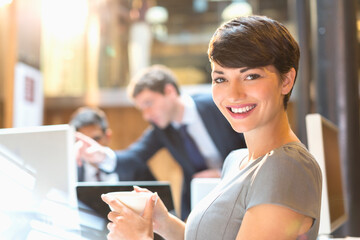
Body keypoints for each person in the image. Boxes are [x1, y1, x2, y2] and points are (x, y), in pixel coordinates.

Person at [101, 15, 322, 240]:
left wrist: (139, 238)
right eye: (221, 79)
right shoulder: (236, 160)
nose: (234, 95)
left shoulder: (286, 167)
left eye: (251, 76)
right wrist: (165, 224)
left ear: (286, 80)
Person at [75, 65, 246, 220]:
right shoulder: (162, 129)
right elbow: (134, 157)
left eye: (149, 103)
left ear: (170, 91)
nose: (146, 115)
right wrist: (101, 155)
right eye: (142, 109)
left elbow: (253, 147)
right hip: (200, 202)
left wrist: (223, 173)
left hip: (243, 189)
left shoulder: (215, 106)